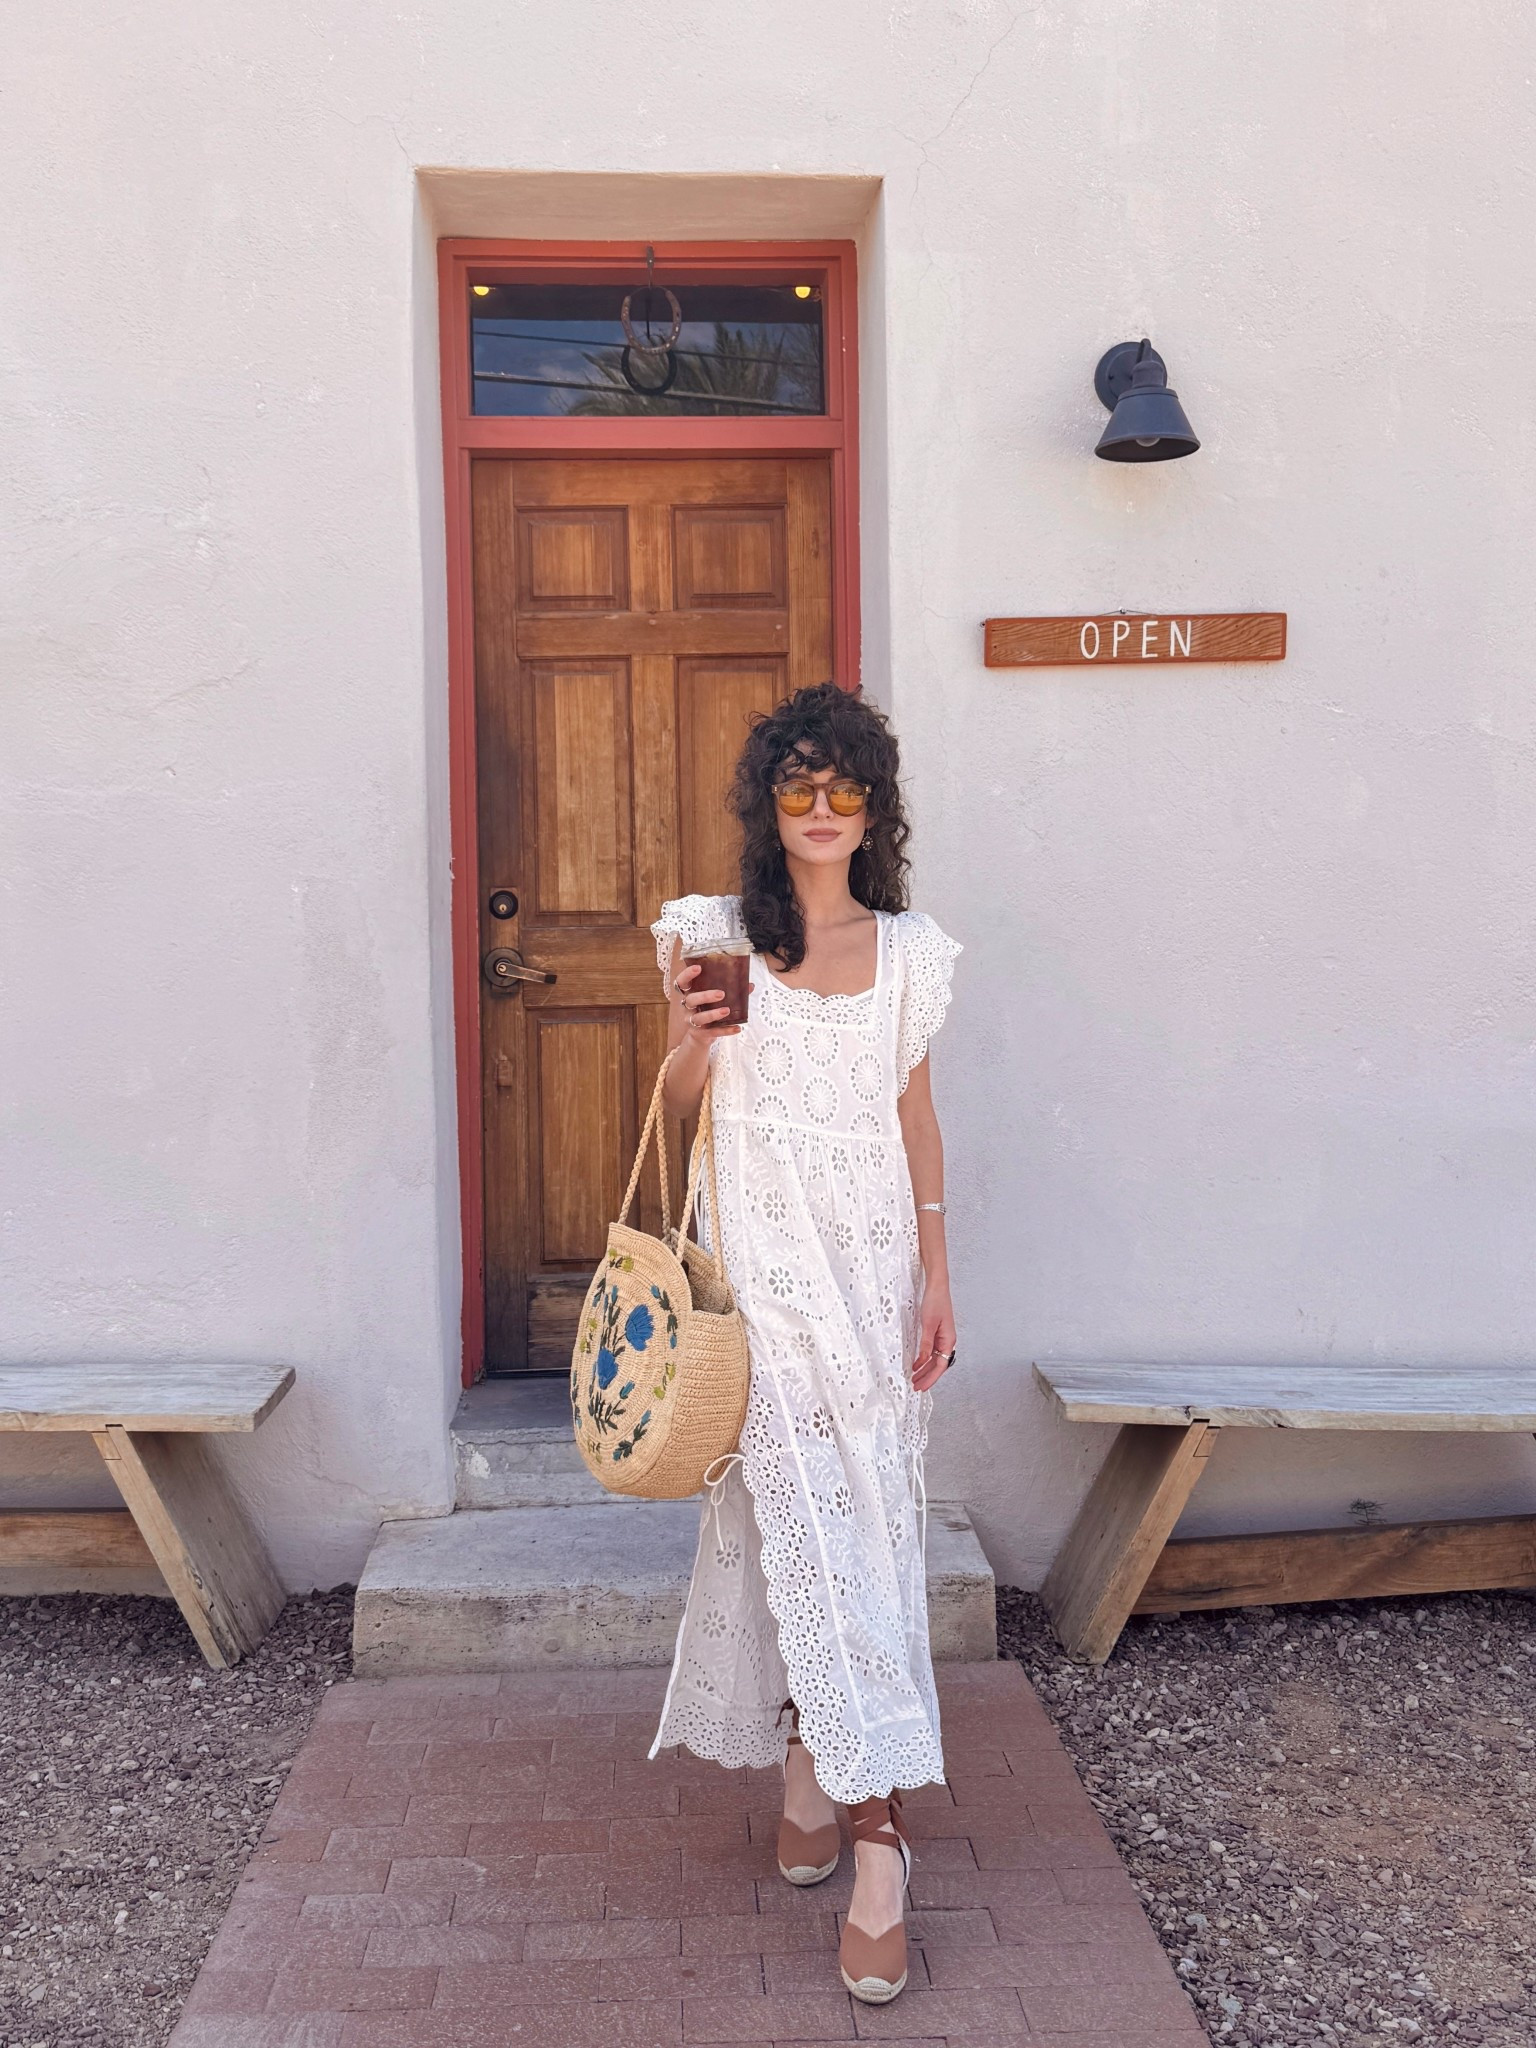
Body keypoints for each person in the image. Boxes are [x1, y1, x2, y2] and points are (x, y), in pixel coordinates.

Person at [647, 681, 960, 2005]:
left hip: (874, 1278)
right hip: (761, 1281)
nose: (822, 810)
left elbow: (914, 1118)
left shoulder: (911, 951)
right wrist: (691, 1046)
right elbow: (671, 1113)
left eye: (844, 789)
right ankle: (881, 1844)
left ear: (871, 807)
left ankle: (807, 1761)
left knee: (869, 1527)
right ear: (768, 806)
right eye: (798, 788)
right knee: (821, 1531)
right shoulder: (714, 934)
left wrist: (939, 1272)